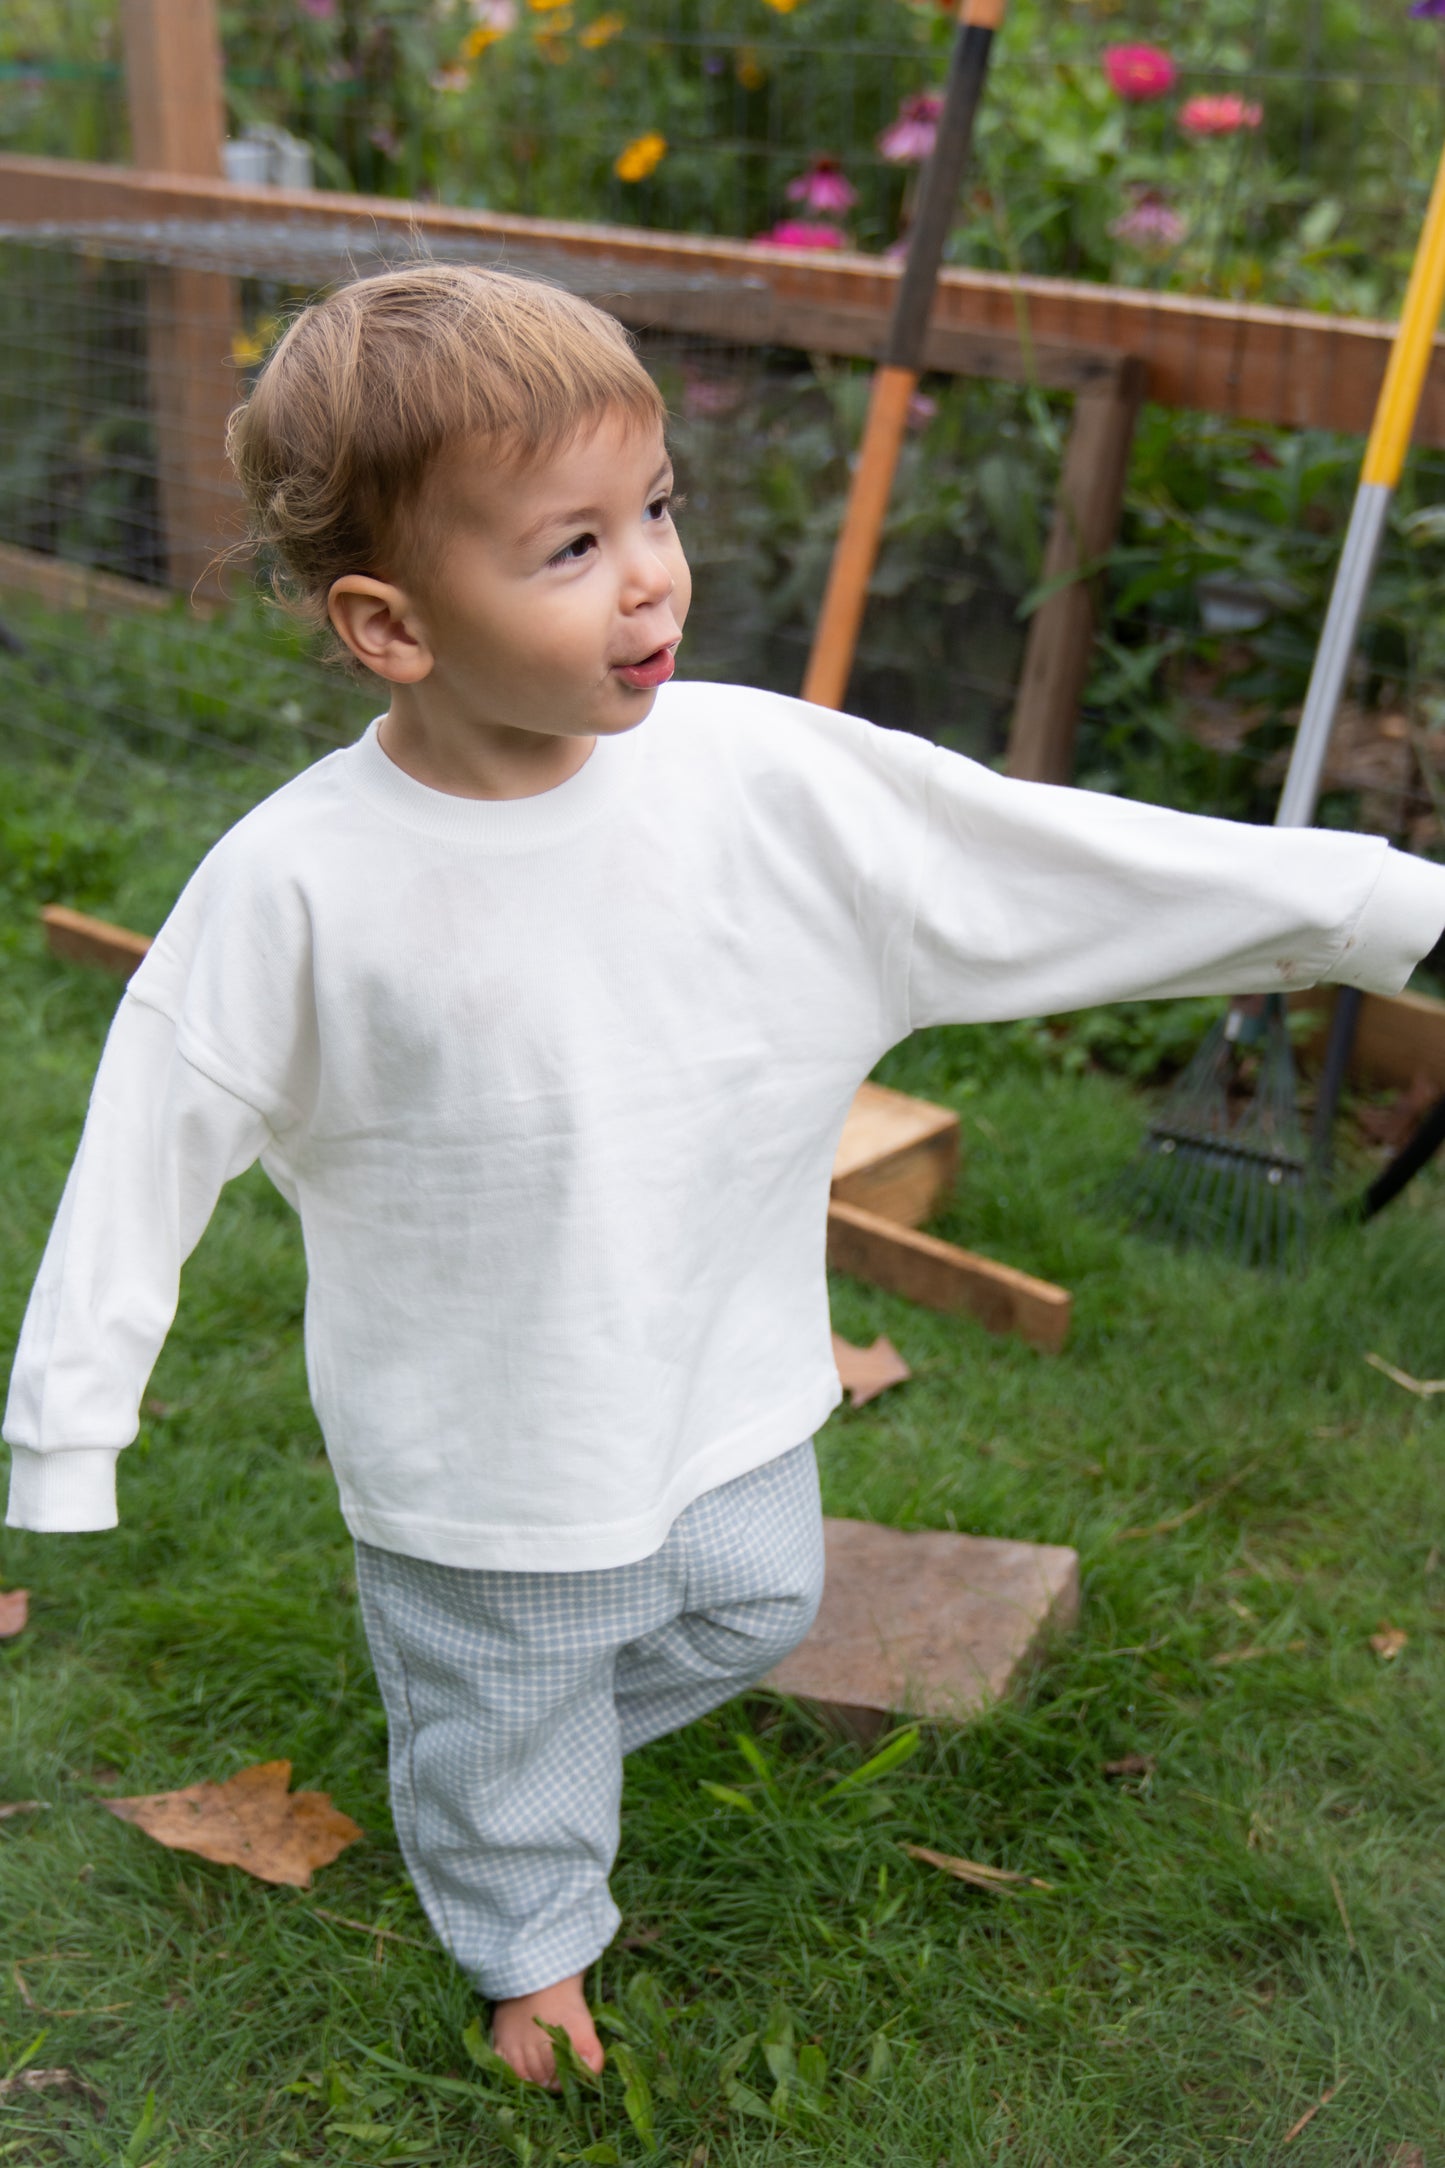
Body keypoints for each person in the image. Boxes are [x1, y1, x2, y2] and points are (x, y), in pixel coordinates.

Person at [6, 263, 1445, 2088]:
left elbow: (1039, 857)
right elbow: (152, 1141)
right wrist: (68, 1431)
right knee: (518, 1695)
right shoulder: (300, 887)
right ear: (389, 624)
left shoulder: (763, 783)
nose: (652, 574)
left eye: (657, 508)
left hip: (725, 1375)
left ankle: (495, 1750)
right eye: (570, 544)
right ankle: (526, 1938)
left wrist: (1368, 905)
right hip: (484, 1446)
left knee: (750, 1603)